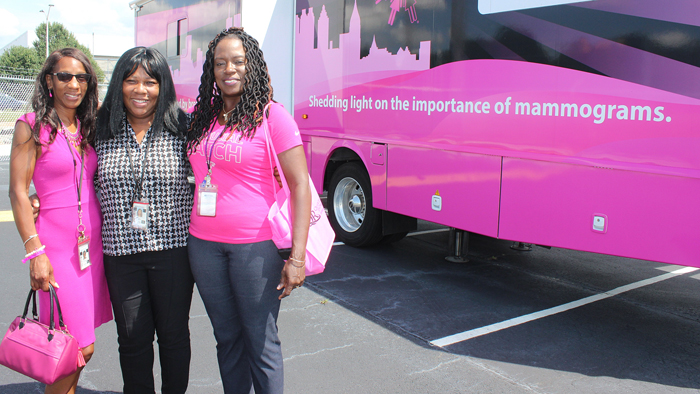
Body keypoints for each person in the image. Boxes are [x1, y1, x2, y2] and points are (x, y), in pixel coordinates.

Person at [186, 27, 311, 394]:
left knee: (260, 340)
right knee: (227, 338)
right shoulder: (201, 117)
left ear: (251, 65)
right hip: (203, 245)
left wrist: (297, 258)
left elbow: (301, 185)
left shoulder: (272, 117)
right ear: (211, 69)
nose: (229, 69)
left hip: (255, 247)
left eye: (238, 61)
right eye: (220, 63)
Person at [8, 47, 112, 394]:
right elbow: (19, 193)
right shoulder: (30, 127)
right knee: (76, 348)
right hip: (55, 250)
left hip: (90, 249)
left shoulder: (87, 125)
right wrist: (34, 253)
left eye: (81, 77)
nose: (74, 83)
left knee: (74, 350)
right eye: (65, 76)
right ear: (49, 80)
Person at [95, 47, 194, 394]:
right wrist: (38, 198)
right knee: (133, 340)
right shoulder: (100, 130)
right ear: (119, 84)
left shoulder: (184, 128)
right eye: (131, 80)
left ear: (162, 85)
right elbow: (73, 176)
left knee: (173, 336)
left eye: (150, 82)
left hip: (173, 251)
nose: (141, 90)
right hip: (121, 254)